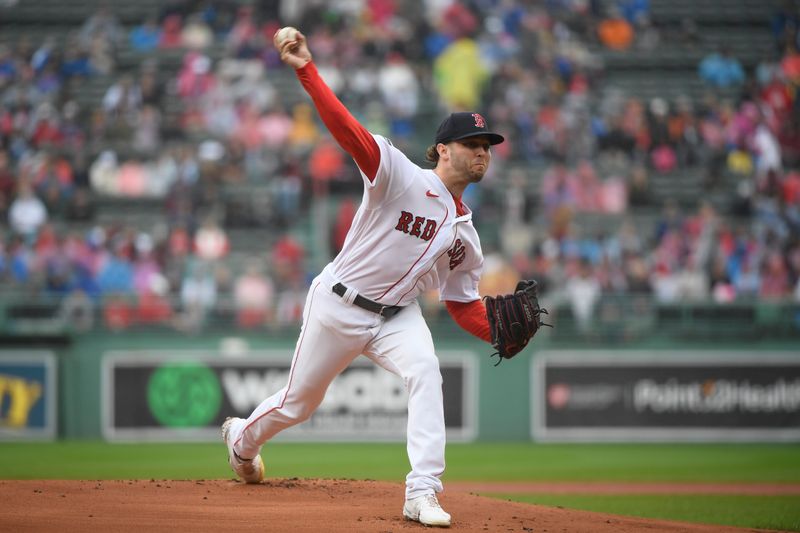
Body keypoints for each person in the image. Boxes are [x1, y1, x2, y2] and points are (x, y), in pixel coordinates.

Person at [221, 28, 507, 528]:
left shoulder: (467, 234)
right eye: (472, 143)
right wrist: (306, 70)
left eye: (487, 146)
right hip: (338, 303)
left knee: (426, 373)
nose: (482, 152)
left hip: (399, 317)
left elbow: (462, 303)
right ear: (442, 149)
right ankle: (241, 441)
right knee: (298, 405)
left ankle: (422, 493)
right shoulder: (400, 175)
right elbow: (347, 130)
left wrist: (500, 330)